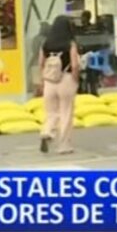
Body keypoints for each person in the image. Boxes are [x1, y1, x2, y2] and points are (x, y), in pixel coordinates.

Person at [39, 16, 80, 155]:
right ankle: (64, 146)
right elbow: (75, 65)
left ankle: (47, 132)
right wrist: (75, 79)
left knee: (51, 113)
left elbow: (41, 63)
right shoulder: (70, 44)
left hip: (49, 81)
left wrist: (43, 80)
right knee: (65, 113)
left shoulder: (46, 43)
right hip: (66, 79)